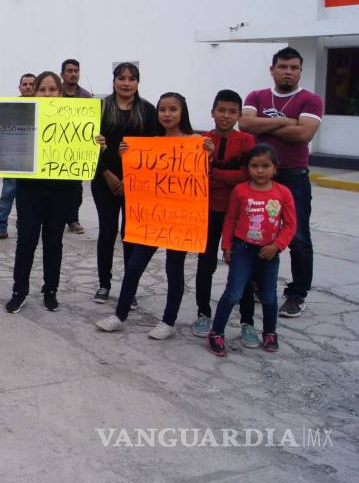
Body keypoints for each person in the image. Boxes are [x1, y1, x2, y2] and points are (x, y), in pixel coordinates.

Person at [95, 92, 212, 339]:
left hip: (179, 218)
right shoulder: (150, 141)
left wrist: (208, 155)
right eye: (162, 110)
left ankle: (168, 322)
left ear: (183, 113)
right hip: (152, 217)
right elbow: (135, 172)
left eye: (173, 109)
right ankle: (120, 315)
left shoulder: (196, 142)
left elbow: (203, 176)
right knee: (135, 265)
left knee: (174, 269)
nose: (167, 114)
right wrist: (122, 152)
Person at [5, 72, 104, 313]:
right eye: (43, 90)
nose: (48, 94)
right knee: (26, 241)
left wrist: (97, 146)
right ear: (34, 92)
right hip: (30, 189)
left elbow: (84, 149)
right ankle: (19, 291)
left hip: (62, 191)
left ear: (60, 93)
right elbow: (9, 146)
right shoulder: (23, 116)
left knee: (53, 243)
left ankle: (51, 291)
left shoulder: (76, 118)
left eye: (52, 90)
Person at [239, 47, 323, 319]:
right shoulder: (256, 96)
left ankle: (297, 294)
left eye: (294, 68)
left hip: (293, 176)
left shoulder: (310, 100)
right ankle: (255, 284)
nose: (288, 72)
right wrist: (286, 121)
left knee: (297, 236)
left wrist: (266, 123)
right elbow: (245, 125)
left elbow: (303, 134)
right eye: (283, 66)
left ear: (300, 71)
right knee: (256, 230)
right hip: (258, 176)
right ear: (272, 69)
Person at [208, 144, 296, 356]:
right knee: (234, 292)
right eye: (254, 166)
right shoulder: (240, 190)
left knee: (268, 296)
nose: (259, 170)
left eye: (265, 166)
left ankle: (270, 332)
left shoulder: (283, 193)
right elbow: (231, 219)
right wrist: (227, 246)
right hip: (242, 249)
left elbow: (290, 225)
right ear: (247, 168)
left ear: (275, 168)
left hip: (269, 253)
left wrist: (276, 246)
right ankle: (217, 332)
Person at [191, 90, 257, 342]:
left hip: (239, 213)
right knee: (205, 263)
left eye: (232, 111)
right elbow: (197, 175)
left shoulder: (247, 141)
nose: (226, 116)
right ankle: (203, 313)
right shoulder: (202, 139)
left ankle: (247, 321)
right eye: (221, 110)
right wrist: (224, 174)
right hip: (206, 210)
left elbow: (246, 175)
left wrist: (214, 173)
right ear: (212, 112)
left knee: (243, 267)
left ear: (239, 114)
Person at [92, 62, 160, 304]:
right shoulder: (99, 108)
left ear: (138, 82)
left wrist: (131, 178)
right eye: (121, 78)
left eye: (132, 78)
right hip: (104, 180)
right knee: (107, 233)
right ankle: (104, 284)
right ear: (114, 81)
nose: (126, 83)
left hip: (137, 184)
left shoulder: (149, 111)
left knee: (130, 235)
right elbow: (88, 148)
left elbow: (155, 149)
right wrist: (108, 175)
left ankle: (129, 290)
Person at [0, 72, 36, 241]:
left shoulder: (45, 106)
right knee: (7, 193)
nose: (28, 87)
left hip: (36, 159)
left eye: (31, 84)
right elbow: (0, 129)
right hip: (13, 159)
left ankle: (25, 228)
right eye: (25, 84)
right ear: (19, 87)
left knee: (30, 198)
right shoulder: (9, 107)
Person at [60, 59, 92, 235]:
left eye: (76, 71)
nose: (73, 74)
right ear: (62, 74)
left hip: (76, 150)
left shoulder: (86, 97)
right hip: (55, 148)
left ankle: (73, 219)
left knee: (75, 187)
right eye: (69, 70)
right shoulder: (55, 95)